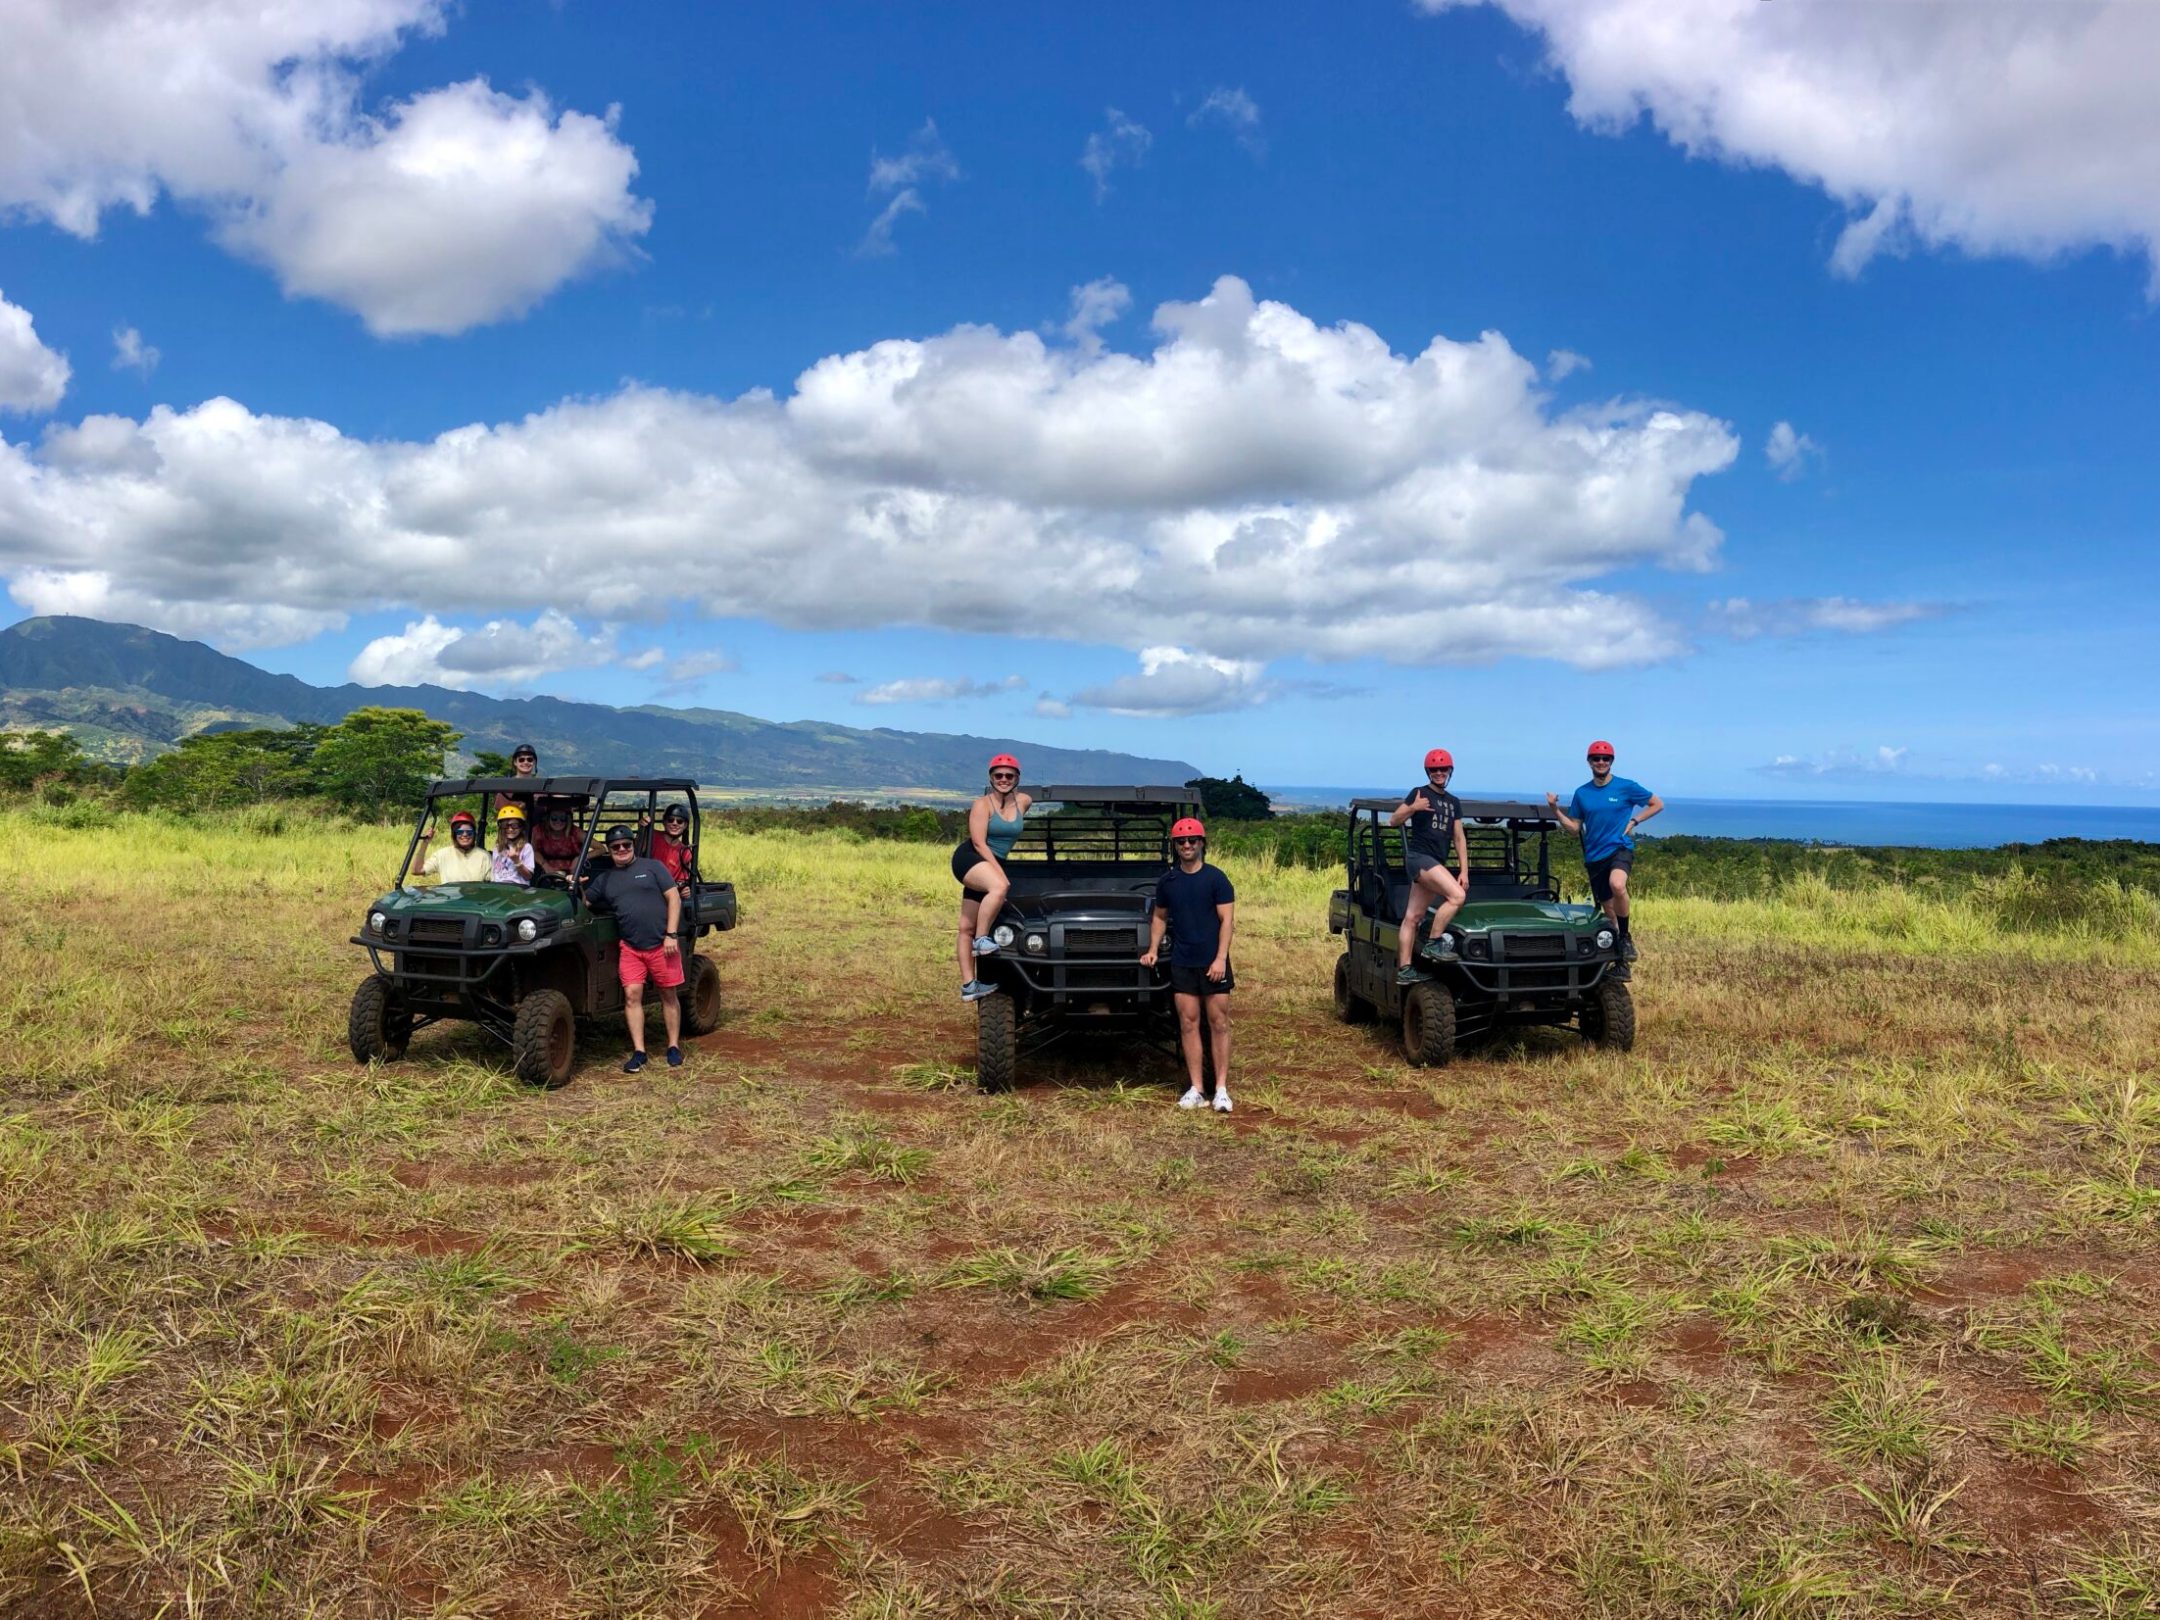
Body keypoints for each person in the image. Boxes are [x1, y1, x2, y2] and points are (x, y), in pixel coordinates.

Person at [1140, 817, 1236, 1114]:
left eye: (1192, 840)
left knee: (1218, 1022)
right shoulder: (1168, 881)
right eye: (1181, 841)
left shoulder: (1216, 879)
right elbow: (1159, 916)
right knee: (1188, 1022)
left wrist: (1220, 958)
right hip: (1182, 961)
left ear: (1202, 843)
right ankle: (1196, 1087)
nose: (1187, 845)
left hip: (1212, 962)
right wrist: (1153, 949)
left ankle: (1221, 1088)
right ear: (1175, 846)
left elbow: (1227, 921)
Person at [1547, 740, 1663, 978]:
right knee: (1609, 912)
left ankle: (1626, 936)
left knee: (1617, 884)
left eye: (1606, 759)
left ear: (1612, 761)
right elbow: (1574, 828)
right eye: (1596, 759)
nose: (1601, 762)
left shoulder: (1626, 787)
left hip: (1619, 848)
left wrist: (1635, 821)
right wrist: (1555, 810)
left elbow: (1657, 804)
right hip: (1595, 856)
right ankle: (1621, 962)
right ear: (1589, 762)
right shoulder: (1582, 793)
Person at [583, 823, 685, 1072]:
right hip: (630, 948)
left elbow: (674, 897)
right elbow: (586, 901)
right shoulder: (605, 878)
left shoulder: (653, 867)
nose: (621, 849)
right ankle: (639, 1051)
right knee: (631, 996)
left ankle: (673, 1046)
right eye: (615, 846)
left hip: (662, 944)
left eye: (626, 844)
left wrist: (671, 934)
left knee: (668, 994)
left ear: (632, 845)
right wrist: (575, 884)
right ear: (609, 849)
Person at [951, 754, 1032, 1002]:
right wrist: (998, 871)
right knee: (1000, 887)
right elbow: (978, 842)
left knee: (965, 926)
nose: (1004, 779)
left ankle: (969, 985)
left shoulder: (1024, 801)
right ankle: (981, 941)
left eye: (1009, 775)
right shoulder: (982, 805)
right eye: (998, 775)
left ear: (1017, 778)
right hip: (972, 858)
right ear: (991, 778)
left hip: (990, 863)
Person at [1389, 748, 1471, 985]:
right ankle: (1434, 944)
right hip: (1419, 857)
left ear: (1449, 771)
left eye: (1443, 769)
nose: (1438, 773)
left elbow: (1458, 838)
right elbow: (1394, 821)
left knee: (1413, 917)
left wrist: (1464, 870)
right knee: (1457, 896)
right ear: (1428, 771)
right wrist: (1412, 808)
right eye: (1434, 769)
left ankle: (1404, 969)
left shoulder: (1453, 803)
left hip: (1436, 861)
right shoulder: (1419, 793)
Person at [411, 810, 491, 884]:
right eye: (460, 832)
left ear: (474, 834)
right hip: (451, 898)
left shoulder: (484, 856)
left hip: (475, 898)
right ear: (454, 834)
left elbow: (494, 883)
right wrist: (425, 843)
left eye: (469, 832)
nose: (465, 835)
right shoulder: (442, 855)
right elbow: (416, 870)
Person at [532, 797, 587, 877]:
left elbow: (601, 848)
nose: (558, 822)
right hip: (545, 873)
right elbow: (533, 851)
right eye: (554, 818)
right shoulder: (538, 830)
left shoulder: (575, 832)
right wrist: (544, 865)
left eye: (562, 818)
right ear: (548, 818)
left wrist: (579, 858)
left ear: (568, 819)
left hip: (572, 874)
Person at [489, 804, 537, 885]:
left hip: (518, 888)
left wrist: (517, 861)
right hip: (499, 887)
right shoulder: (498, 847)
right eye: (505, 825)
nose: (510, 829)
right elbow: (494, 873)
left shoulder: (526, 847)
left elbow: (528, 877)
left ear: (521, 827)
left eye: (514, 825)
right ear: (501, 828)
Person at [650, 804, 695, 886]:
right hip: (646, 887)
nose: (675, 823)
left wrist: (684, 888)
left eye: (679, 821)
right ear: (664, 822)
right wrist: (643, 827)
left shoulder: (685, 852)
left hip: (666, 892)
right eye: (670, 820)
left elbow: (681, 880)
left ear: (685, 825)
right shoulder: (651, 836)